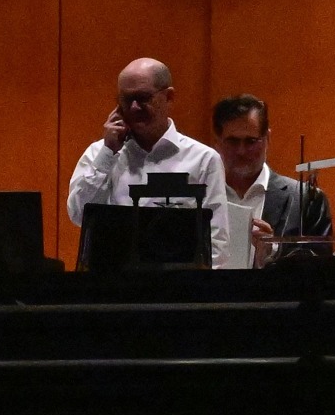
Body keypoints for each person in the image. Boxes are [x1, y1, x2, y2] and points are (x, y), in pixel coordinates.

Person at [67, 58, 229, 268]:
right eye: (126, 99)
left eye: (143, 98)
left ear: (169, 97)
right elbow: (78, 214)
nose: (134, 107)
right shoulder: (100, 154)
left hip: (179, 283)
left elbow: (216, 243)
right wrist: (108, 153)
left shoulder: (203, 159)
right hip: (114, 281)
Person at [212, 94, 332, 267]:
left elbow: (322, 270)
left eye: (251, 141)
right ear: (217, 142)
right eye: (232, 141)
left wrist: (273, 252)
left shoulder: (307, 200)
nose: (241, 151)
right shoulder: (201, 197)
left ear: (267, 139)